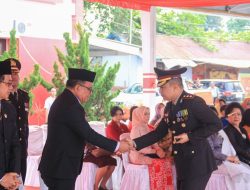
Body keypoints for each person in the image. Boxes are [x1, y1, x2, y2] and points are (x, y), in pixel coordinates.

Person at [38, 68, 131, 190]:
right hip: (61, 166)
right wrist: (118, 146)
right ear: (77, 87)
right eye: (89, 89)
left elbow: (76, 130)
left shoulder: (66, 100)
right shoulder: (71, 105)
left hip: (60, 164)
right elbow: (88, 133)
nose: (90, 93)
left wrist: (90, 144)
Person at [131, 66, 222, 190]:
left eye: (163, 87)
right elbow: (158, 133)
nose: (160, 91)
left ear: (175, 87)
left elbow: (216, 124)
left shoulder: (193, 103)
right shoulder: (169, 107)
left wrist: (190, 136)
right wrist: (133, 143)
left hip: (198, 163)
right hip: (183, 162)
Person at [129, 106, 173, 190]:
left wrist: (158, 149)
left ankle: (166, 187)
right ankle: (157, 187)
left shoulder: (146, 127)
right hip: (139, 156)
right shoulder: (135, 129)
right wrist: (155, 151)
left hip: (149, 154)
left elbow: (153, 141)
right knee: (159, 163)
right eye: (145, 114)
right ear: (138, 115)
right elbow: (138, 148)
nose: (148, 116)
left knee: (167, 161)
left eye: (149, 114)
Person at [6, 58, 30, 184]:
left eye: (16, 73)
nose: (13, 76)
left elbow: (25, 124)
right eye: (10, 72)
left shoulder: (24, 95)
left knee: (21, 183)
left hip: (21, 150)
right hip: (7, 151)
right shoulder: (3, 96)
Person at [0, 59, 21, 190]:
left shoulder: (9, 108)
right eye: (8, 83)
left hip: (9, 182)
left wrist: (13, 174)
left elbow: (15, 144)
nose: (11, 87)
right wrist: (1, 178)